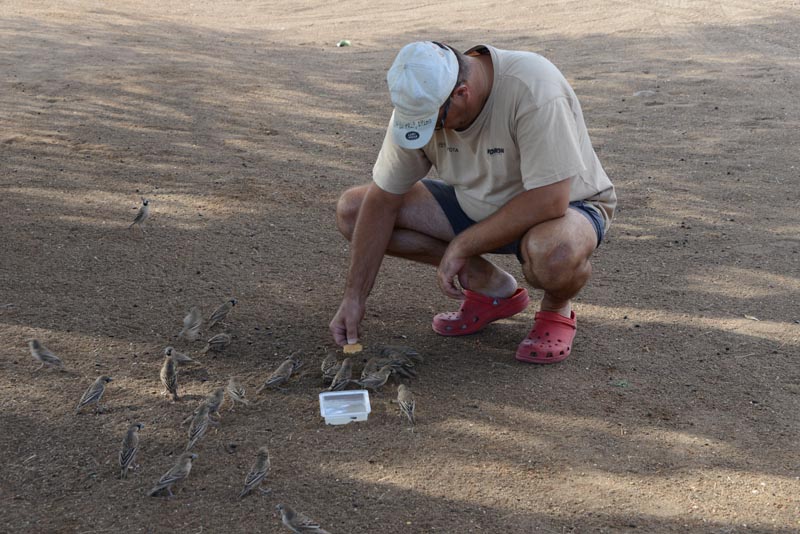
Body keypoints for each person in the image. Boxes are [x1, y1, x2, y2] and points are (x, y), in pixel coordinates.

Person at [330, 41, 616, 364]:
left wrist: (462, 245)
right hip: (475, 203)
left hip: (565, 209)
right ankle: (487, 287)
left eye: (434, 125)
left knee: (555, 253)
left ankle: (555, 307)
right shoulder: (422, 101)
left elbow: (550, 200)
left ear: (461, 93)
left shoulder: (533, 88)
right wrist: (354, 296)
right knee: (354, 211)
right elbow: (382, 202)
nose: (429, 134)